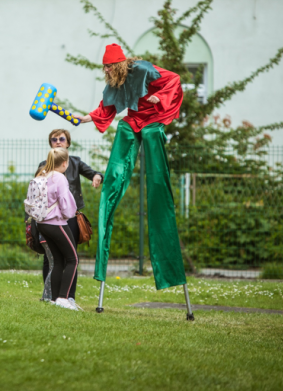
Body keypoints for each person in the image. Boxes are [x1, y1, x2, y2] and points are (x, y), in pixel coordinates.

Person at [75, 43, 185, 291]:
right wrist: (87, 117)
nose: (106, 71)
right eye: (104, 68)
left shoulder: (144, 69)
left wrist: (161, 97)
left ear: (119, 64)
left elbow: (174, 80)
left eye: (109, 67)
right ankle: (113, 180)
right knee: (124, 129)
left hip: (153, 118)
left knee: (151, 138)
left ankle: (168, 269)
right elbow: (107, 108)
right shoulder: (114, 83)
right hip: (135, 120)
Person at [35, 129, 102, 307]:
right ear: (50, 143)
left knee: (69, 256)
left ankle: (68, 296)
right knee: (52, 257)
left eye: (61, 139)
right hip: (51, 218)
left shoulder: (75, 162)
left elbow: (93, 172)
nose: (58, 141)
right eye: (54, 139)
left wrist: (97, 176)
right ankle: (51, 296)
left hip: (70, 218)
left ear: (68, 142)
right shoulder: (44, 166)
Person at [34, 147, 79, 310]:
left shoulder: (43, 174)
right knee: (73, 259)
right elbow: (65, 202)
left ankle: (54, 299)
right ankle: (63, 298)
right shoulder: (59, 177)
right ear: (65, 163)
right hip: (56, 223)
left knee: (58, 260)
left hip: (42, 224)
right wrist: (69, 215)